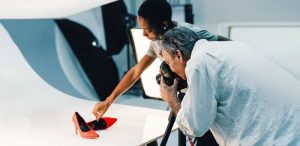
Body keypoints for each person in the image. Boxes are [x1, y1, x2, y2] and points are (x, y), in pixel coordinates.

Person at [159, 27, 300, 145]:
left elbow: (195, 126)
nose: (172, 70)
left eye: (169, 63)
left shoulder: (198, 63)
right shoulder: (234, 46)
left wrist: (172, 100)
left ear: (178, 55)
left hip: (276, 140)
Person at [92, 0, 229, 120]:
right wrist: (108, 101)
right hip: (185, 97)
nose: (143, 34)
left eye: (147, 30)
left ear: (163, 24)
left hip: (209, 97)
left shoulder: (189, 32)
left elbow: (228, 44)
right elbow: (135, 72)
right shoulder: (156, 41)